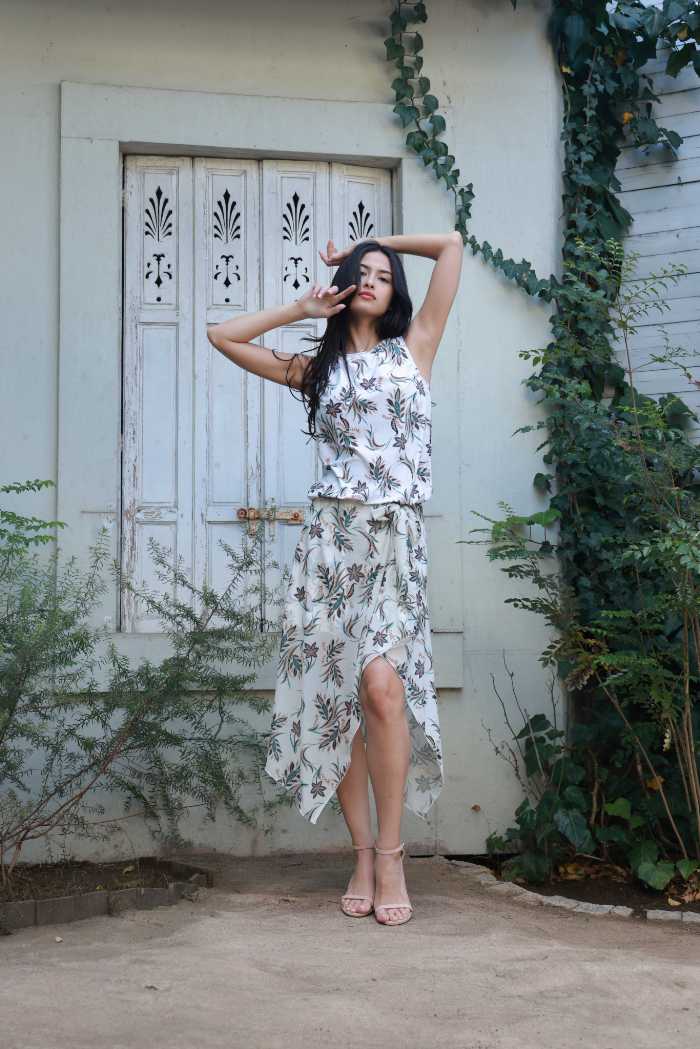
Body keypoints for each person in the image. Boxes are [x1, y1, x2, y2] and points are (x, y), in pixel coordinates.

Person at [207, 231, 463, 926]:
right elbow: (222, 336)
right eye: (363, 271)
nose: (374, 279)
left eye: (384, 273)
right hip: (329, 548)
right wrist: (301, 307)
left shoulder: (416, 348)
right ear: (347, 287)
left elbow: (451, 246)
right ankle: (361, 854)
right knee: (336, 700)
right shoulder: (314, 372)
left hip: (394, 545)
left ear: (394, 290)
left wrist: (366, 241)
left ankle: (392, 854)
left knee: (383, 689)